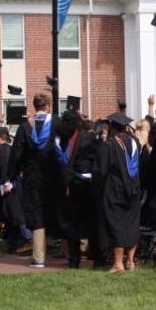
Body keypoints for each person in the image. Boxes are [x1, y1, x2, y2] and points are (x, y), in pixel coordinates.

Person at [8, 93, 61, 269]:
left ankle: (39, 258)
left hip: (32, 177)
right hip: (54, 176)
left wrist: (12, 175)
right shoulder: (57, 122)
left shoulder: (25, 126)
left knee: (36, 213)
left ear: (35, 106)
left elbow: (16, 153)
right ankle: (69, 252)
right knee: (57, 209)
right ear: (48, 106)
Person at [95, 112, 142, 273]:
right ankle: (130, 261)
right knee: (131, 223)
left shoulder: (109, 145)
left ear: (111, 127)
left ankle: (118, 263)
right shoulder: (136, 142)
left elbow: (101, 170)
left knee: (117, 225)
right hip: (134, 189)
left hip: (115, 190)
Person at [55, 110, 98, 269]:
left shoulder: (87, 138)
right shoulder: (66, 138)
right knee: (72, 226)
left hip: (84, 186)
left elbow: (91, 161)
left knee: (88, 223)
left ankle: (94, 256)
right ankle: (74, 259)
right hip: (71, 185)